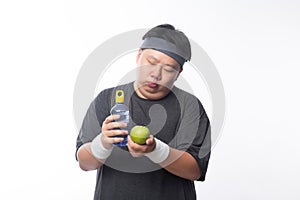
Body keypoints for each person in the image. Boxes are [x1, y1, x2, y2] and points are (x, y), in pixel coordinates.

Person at [75, 24, 211, 200]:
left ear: (179, 73)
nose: (156, 74)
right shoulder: (108, 99)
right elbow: (84, 163)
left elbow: (195, 170)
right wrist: (102, 142)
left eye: (169, 69)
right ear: (139, 55)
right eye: (151, 62)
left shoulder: (190, 106)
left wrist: (155, 149)